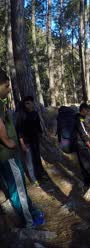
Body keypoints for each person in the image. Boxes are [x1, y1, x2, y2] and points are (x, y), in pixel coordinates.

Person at [0, 71, 44, 228]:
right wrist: (8, 141)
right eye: (6, 86)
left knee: (17, 187)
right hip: (8, 154)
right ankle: (29, 222)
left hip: (8, 155)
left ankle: (30, 212)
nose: (9, 89)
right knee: (18, 189)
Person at [16, 96, 44, 186]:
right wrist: (22, 144)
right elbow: (19, 131)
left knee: (37, 158)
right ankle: (33, 179)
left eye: (29, 102)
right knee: (29, 161)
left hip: (35, 140)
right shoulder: (22, 115)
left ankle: (40, 175)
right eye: (26, 103)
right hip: (26, 142)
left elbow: (38, 126)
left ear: (32, 103)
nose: (28, 105)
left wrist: (41, 135)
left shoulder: (35, 113)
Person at [73, 103, 90, 188]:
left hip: (79, 144)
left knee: (83, 163)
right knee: (88, 163)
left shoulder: (79, 118)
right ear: (83, 110)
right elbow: (83, 134)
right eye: (87, 110)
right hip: (81, 144)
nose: (88, 112)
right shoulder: (79, 119)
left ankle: (87, 182)